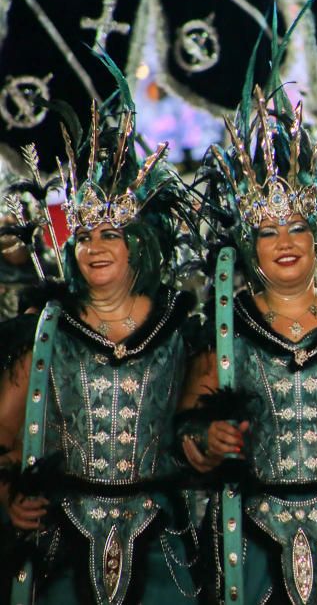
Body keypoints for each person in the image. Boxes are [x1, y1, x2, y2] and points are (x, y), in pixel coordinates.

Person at [177, 81, 317, 604]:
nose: (284, 243)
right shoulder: (225, 325)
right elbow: (189, 427)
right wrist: (209, 440)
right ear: (250, 246)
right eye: (267, 233)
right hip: (253, 540)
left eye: (296, 227)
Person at [0, 90, 202, 604]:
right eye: (85, 234)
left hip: (162, 539)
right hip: (65, 537)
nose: (95, 247)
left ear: (139, 241)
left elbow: (199, 427)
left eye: (110, 233)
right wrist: (9, 496)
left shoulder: (182, 328)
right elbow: (3, 430)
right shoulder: (48, 328)